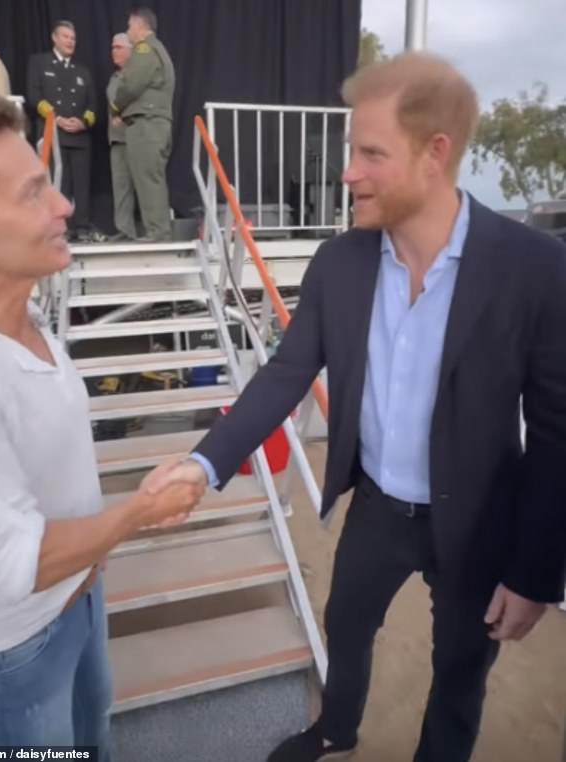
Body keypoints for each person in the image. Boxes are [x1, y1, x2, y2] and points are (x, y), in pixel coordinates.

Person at [144, 52, 566, 762]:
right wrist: (204, 462)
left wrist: (535, 574)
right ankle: (337, 730)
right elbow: (285, 374)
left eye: (371, 152)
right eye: (351, 150)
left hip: (479, 519)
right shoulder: (339, 262)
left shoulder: (534, 269)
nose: (348, 172)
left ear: (436, 154)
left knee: (461, 671)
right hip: (376, 506)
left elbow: (557, 433)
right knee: (344, 624)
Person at [0, 83, 203, 754]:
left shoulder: (28, 315)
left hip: (82, 591)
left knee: (96, 732)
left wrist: (99, 554)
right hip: (18, 640)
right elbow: (11, 563)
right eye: (31, 194)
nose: (65, 205)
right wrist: (138, 513)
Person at [27, 20, 97, 242]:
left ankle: (82, 227)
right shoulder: (39, 62)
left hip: (79, 135)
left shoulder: (83, 71)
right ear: (54, 38)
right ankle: (59, 228)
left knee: (82, 184)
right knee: (58, 184)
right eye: (66, 37)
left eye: (73, 38)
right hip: (52, 133)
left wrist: (83, 122)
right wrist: (55, 118)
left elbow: (93, 106)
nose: (70, 41)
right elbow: (34, 97)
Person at [110, 6, 175, 242]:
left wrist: (115, 107)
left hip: (147, 125)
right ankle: (158, 230)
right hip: (154, 124)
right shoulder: (157, 49)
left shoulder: (145, 49)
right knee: (151, 176)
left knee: (147, 177)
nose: (128, 31)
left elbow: (131, 83)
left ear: (140, 26)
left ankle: (158, 232)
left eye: (129, 26)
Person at [107, 33, 137, 241]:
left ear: (130, 50)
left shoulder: (138, 74)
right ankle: (125, 231)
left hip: (137, 136)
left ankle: (152, 231)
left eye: (118, 47)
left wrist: (123, 116)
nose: (113, 51)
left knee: (143, 185)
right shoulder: (114, 77)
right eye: (112, 47)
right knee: (121, 186)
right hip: (117, 138)